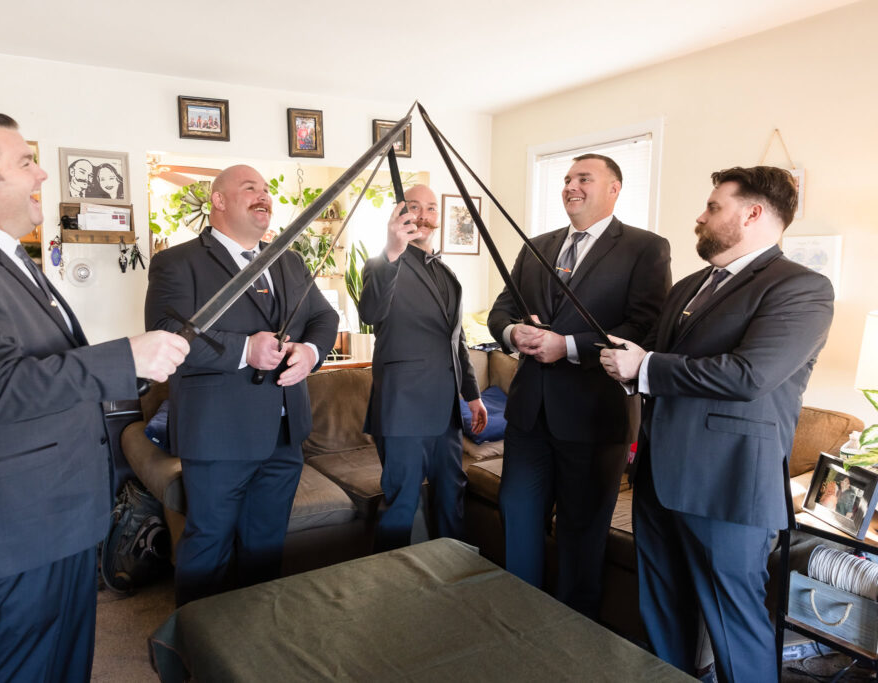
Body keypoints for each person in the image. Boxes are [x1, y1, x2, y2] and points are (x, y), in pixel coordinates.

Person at [0, 108, 189, 681]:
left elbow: (43, 364)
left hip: (52, 515)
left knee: (61, 663)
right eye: (26, 161)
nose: (42, 175)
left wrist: (133, 364)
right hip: (9, 528)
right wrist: (126, 356)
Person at [599, 166, 834, 683]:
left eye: (712, 207)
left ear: (752, 213)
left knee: (735, 625)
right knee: (661, 613)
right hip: (657, 477)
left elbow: (752, 375)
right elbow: (659, 370)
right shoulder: (686, 287)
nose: (700, 217)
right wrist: (629, 371)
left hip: (728, 486)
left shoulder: (802, 288)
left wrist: (647, 368)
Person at [487, 153, 671, 618]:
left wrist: (566, 345)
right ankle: (518, 620)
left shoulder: (645, 248)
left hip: (595, 418)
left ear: (614, 188)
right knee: (517, 517)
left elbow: (645, 328)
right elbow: (500, 311)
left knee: (581, 534)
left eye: (583, 178)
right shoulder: (536, 247)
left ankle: (570, 635)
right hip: (529, 417)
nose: (571, 186)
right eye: (567, 179)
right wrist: (515, 334)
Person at [144, 164, 338, 606]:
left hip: (285, 435)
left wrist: (310, 352)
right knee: (208, 547)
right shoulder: (177, 262)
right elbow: (164, 332)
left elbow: (324, 317)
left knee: (266, 549)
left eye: (267, 189)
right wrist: (243, 349)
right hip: (218, 436)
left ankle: (251, 647)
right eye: (249, 187)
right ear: (218, 200)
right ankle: (194, 653)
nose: (263, 195)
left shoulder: (288, 260)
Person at [357, 185, 487, 551]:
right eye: (415, 207)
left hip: (445, 412)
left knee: (451, 496)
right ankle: (395, 591)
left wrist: (472, 396)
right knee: (401, 505)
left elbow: (455, 339)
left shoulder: (445, 272)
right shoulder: (383, 263)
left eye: (431, 208)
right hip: (402, 410)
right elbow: (369, 313)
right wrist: (392, 251)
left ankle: (454, 575)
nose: (425, 215)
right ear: (400, 215)